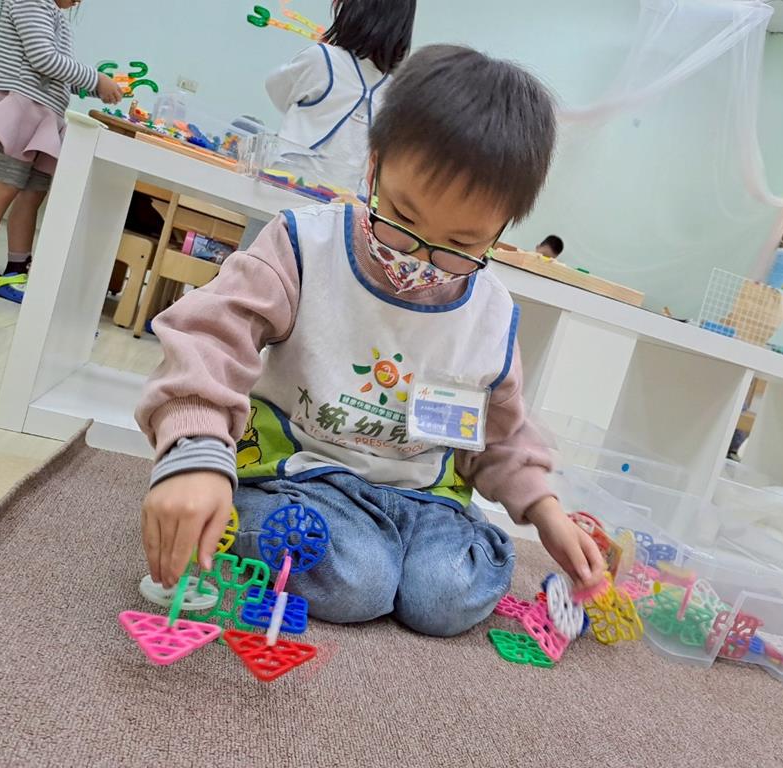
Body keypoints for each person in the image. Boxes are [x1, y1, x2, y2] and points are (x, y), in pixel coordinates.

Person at [136, 45, 607, 637]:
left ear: (502, 229)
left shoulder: (491, 312)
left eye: (461, 245)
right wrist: (196, 451)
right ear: (374, 167)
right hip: (303, 475)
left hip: (425, 498)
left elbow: (501, 435)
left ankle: (390, 556)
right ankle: (264, 520)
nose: (419, 259)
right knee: (358, 581)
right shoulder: (304, 245)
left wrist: (545, 510)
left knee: (444, 596)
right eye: (401, 218)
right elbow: (210, 337)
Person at [0, 0, 122, 279]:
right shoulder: (30, 2)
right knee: (4, 185)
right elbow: (43, 59)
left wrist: (99, 87)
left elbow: (57, 73)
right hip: (23, 110)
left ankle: (19, 262)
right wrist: (95, 78)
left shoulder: (56, 16)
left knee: (33, 194)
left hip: (44, 116)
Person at [239, 0, 416, 249]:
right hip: (340, 212)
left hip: (282, 192)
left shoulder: (321, 59)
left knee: (256, 262)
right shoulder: (394, 91)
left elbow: (276, 89)